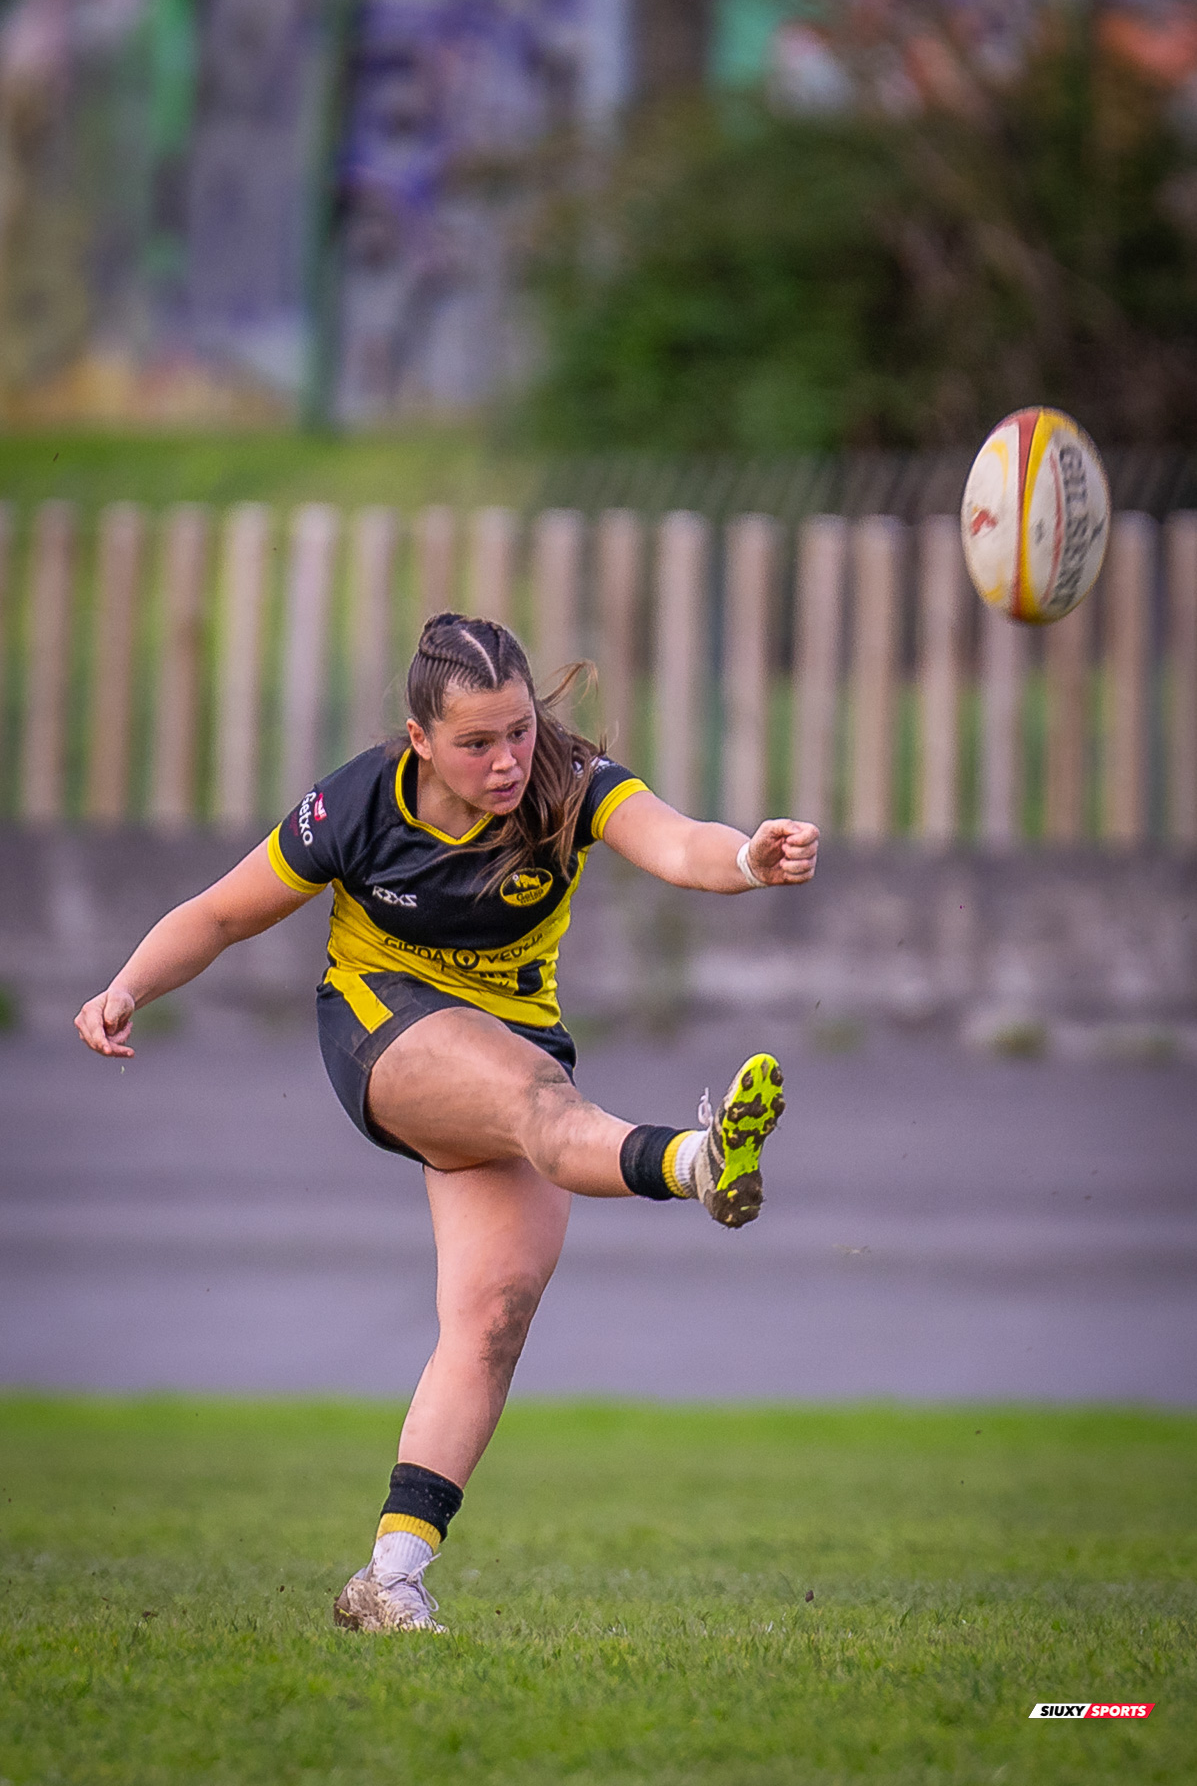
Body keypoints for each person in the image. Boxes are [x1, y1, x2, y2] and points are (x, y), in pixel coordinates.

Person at [75, 613, 819, 1635]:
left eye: (519, 730)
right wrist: (124, 988)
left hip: (515, 1043)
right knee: (541, 1110)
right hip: (384, 1030)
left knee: (493, 1315)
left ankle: (389, 1578)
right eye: (478, 742)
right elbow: (221, 913)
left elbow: (678, 842)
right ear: (420, 740)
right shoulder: (357, 806)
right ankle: (699, 1160)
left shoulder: (570, 777)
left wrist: (749, 857)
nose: (509, 759)